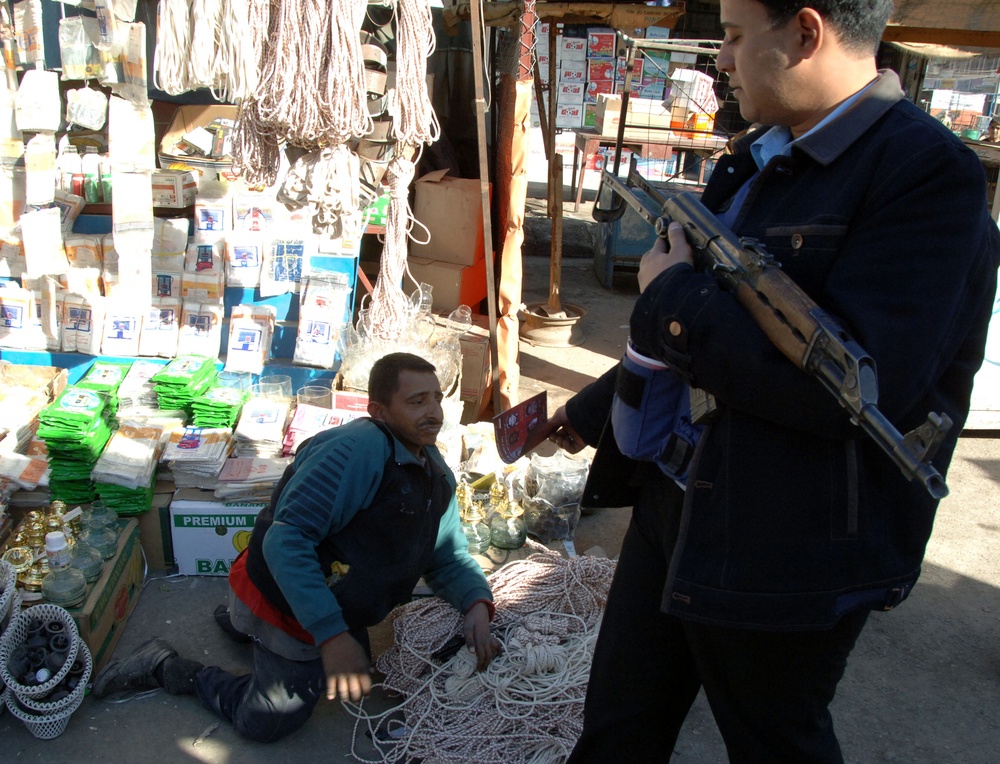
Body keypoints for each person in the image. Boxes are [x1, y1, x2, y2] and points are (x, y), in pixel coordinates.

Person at [549, 1, 1000, 762]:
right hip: (678, 500)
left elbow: (855, 393)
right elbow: (717, 309)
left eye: (732, 36)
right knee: (618, 730)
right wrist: (597, 408)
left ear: (805, 32)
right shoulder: (761, 153)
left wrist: (670, 298)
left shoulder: (927, 177)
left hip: (791, 543)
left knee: (775, 741)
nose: (721, 60)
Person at [92, 352, 501, 742]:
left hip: (334, 596)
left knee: (351, 661)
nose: (433, 412)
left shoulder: (433, 470)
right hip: (281, 597)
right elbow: (286, 542)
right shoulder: (354, 451)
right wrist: (332, 635)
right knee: (268, 720)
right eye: (416, 401)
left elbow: (447, 554)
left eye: (436, 398)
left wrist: (476, 603)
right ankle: (168, 665)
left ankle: (243, 626)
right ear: (378, 411)